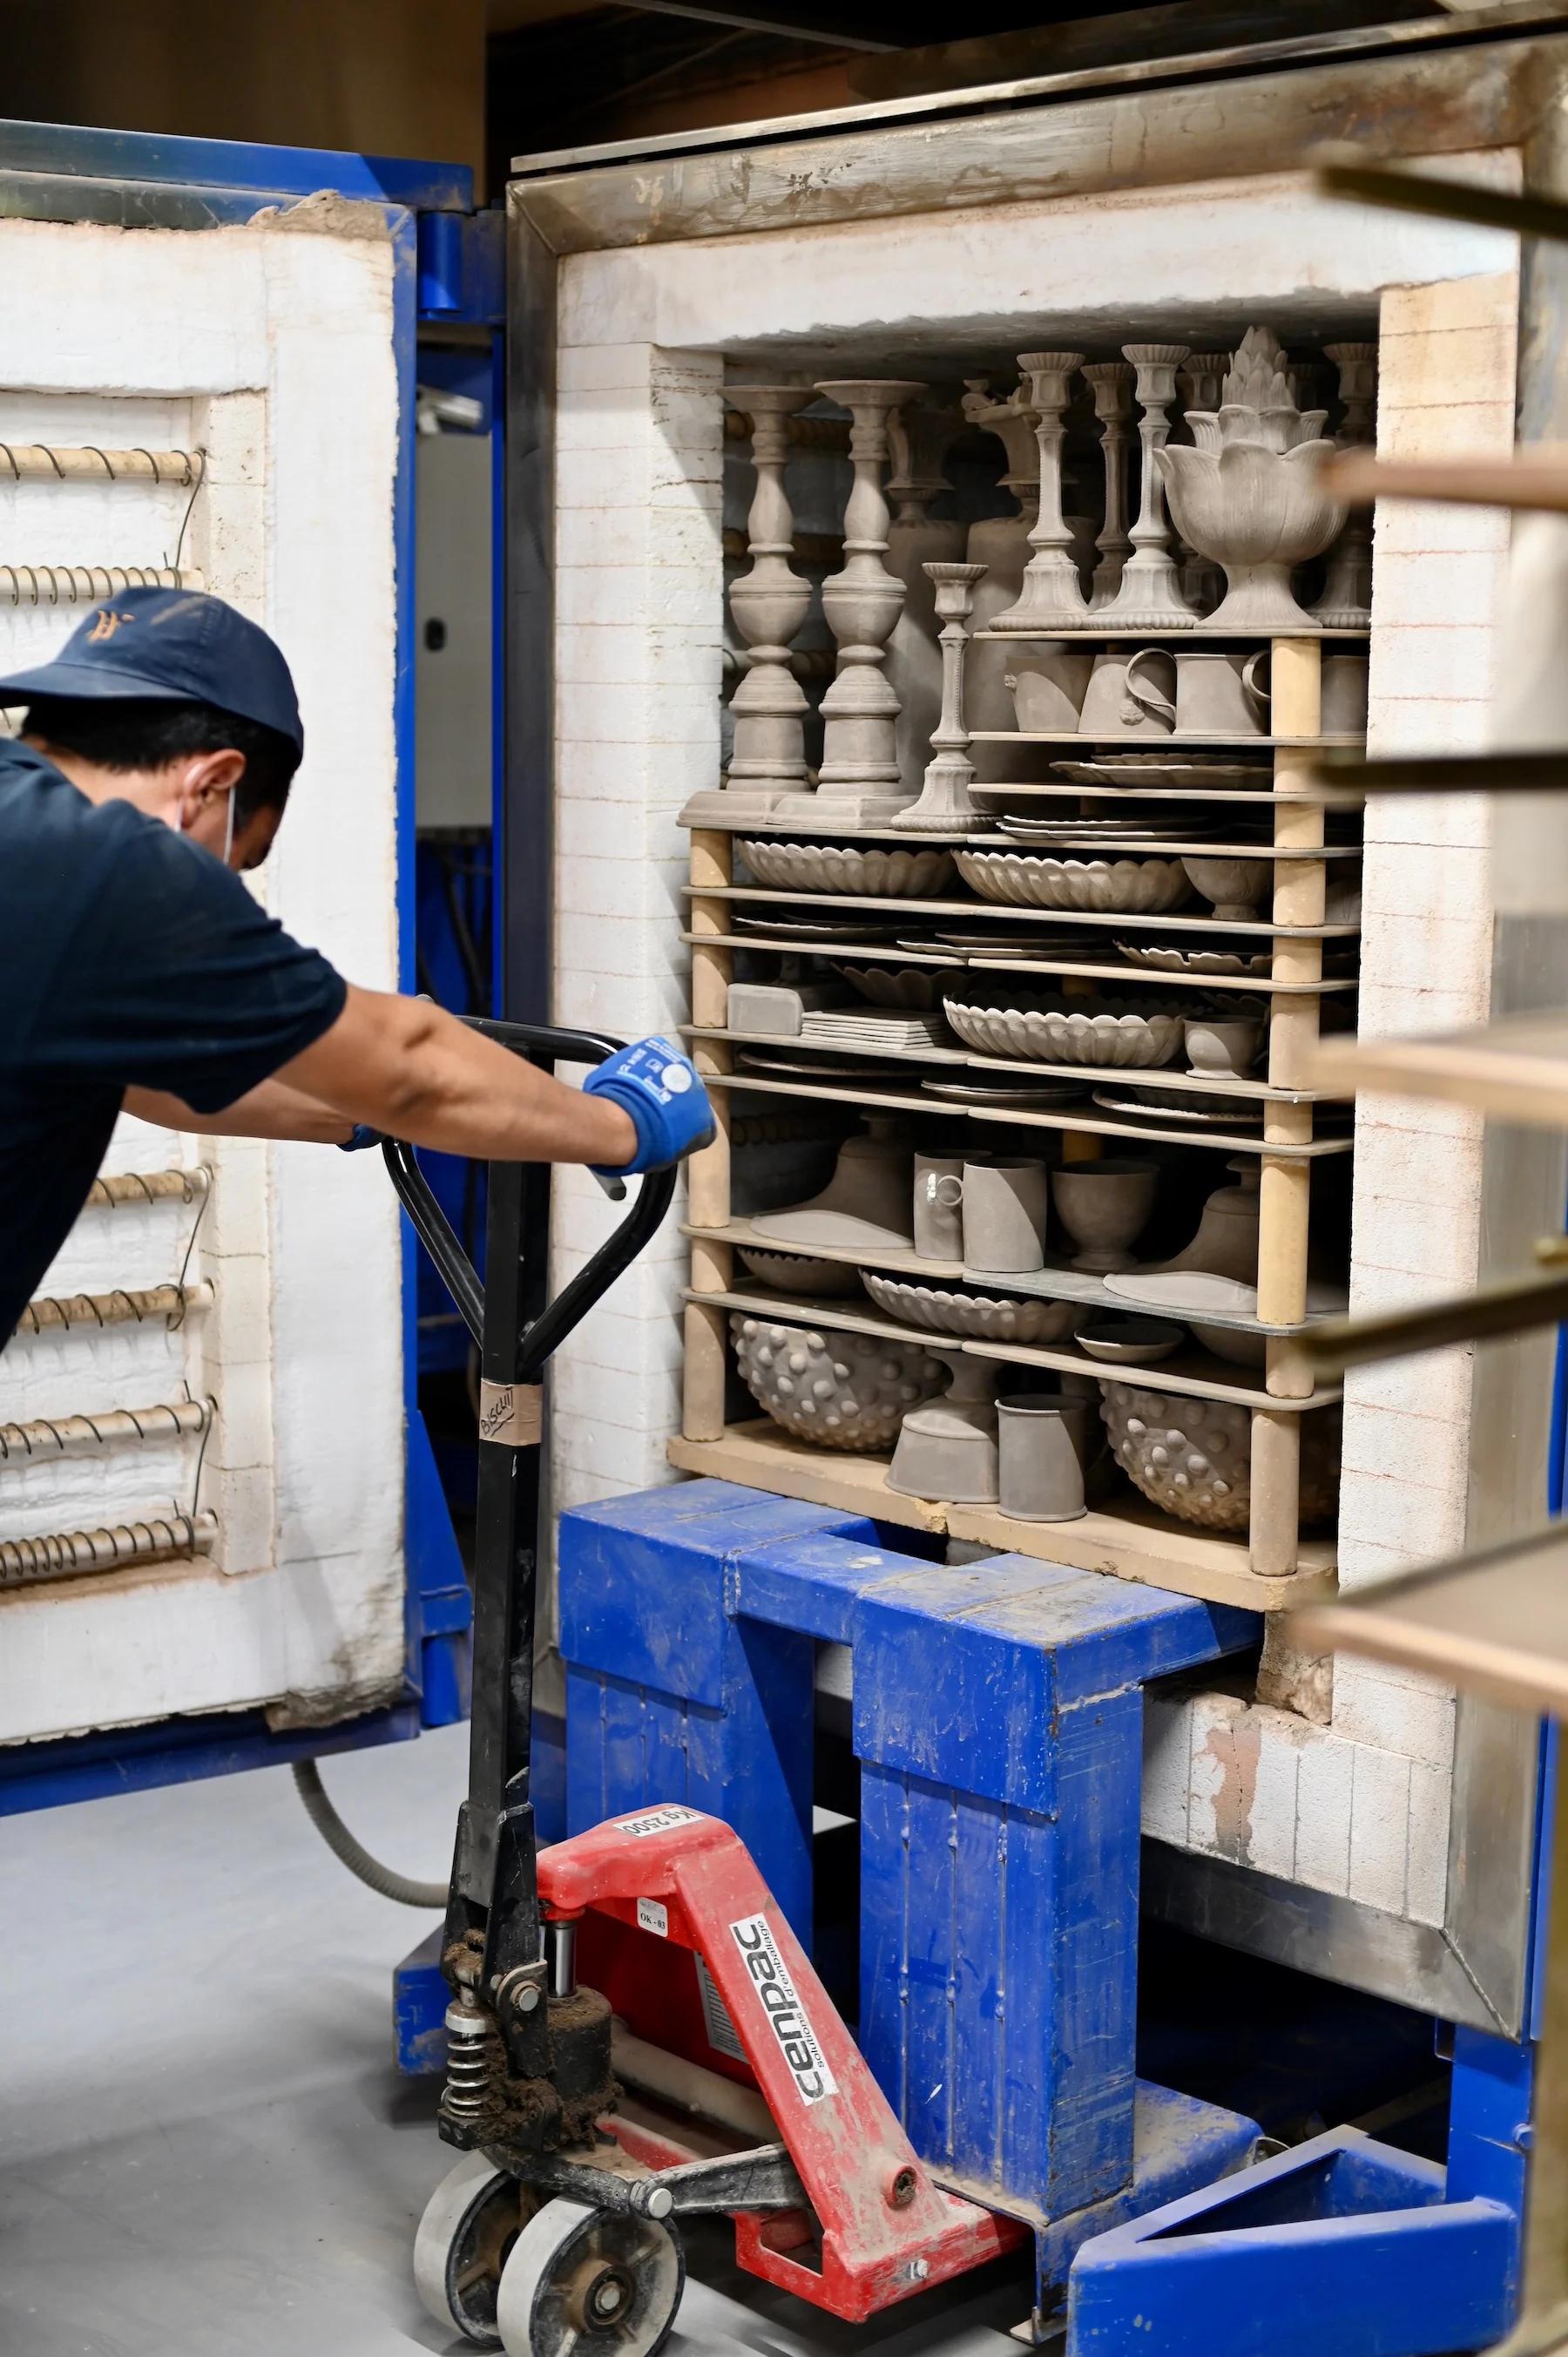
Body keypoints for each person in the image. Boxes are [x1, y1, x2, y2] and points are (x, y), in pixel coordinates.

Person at [0, 586, 713, 1346]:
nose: (216, 889)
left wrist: (354, 1108)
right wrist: (625, 1124)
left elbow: (154, 1081)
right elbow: (410, 1066)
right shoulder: (111, 867)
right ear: (211, 785)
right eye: (232, 863)